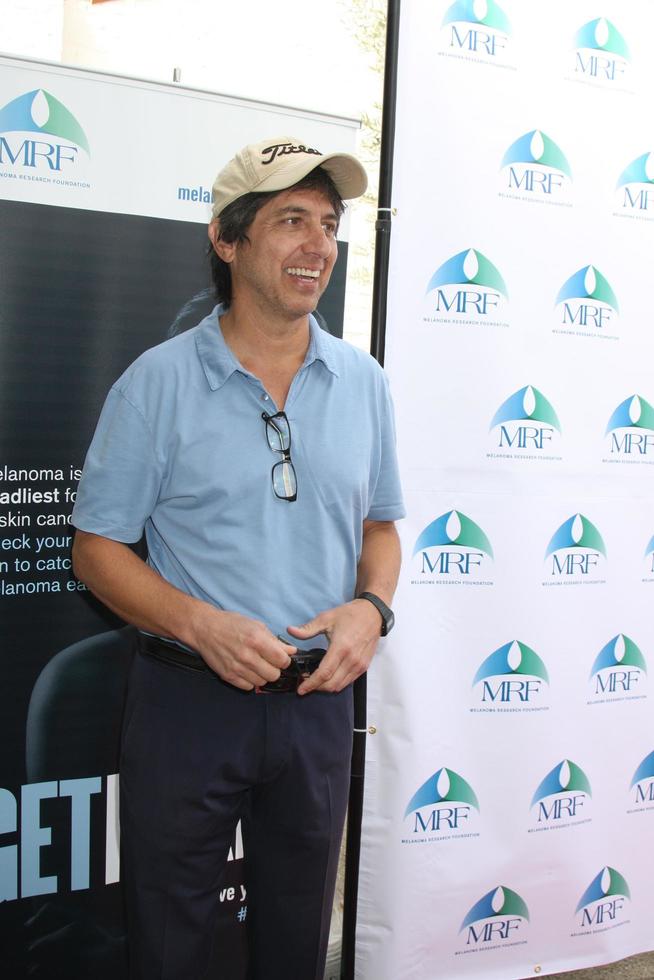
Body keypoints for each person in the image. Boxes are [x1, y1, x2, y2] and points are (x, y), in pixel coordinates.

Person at [71, 135, 405, 980]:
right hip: (189, 706)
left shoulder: (363, 381)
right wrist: (201, 625)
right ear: (227, 239)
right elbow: (97, 550)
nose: (318, 246)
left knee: (297, 945)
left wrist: (371, 611)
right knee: (170, 942)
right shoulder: (158, 382)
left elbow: (381, 528)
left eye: (328, 225)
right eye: (291, 220)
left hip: (319, 705)